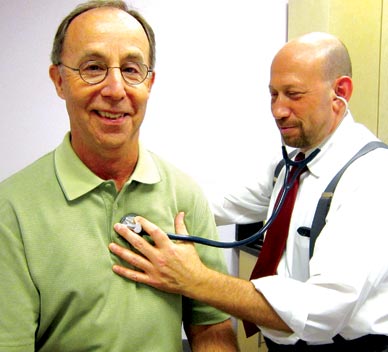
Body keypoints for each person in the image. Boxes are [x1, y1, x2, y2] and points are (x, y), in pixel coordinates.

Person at [108, 32, 388, 351]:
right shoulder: (291, 163)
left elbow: (322, 310)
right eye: (273, 94)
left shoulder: (372, 176)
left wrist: (197, 280)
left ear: (340, 91)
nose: (278, 111)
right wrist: (134, 192)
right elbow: (214, 203)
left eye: (293, 94)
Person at [0, 1, 239, 351]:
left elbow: (211, 329)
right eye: (93, 67)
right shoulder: (12, 209)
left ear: (150, 82)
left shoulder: (184, 196)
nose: (115, 90)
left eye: (131, 69)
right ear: (59, 81)